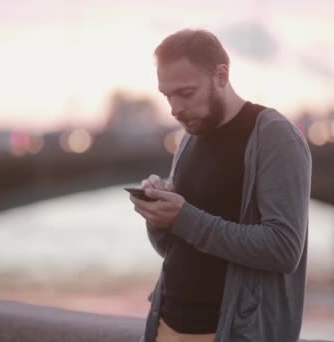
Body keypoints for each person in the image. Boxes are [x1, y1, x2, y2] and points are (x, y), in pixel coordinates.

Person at [130, 29, 311, 342]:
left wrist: (183, 217)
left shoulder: (274, 135)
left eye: (185, 93)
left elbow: (283, 249)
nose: (174, 108)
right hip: (166, 326)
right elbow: (179, 248)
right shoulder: (190, 137)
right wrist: (160, 218)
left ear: (221, 75)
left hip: (232, 332)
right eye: (167, 95)